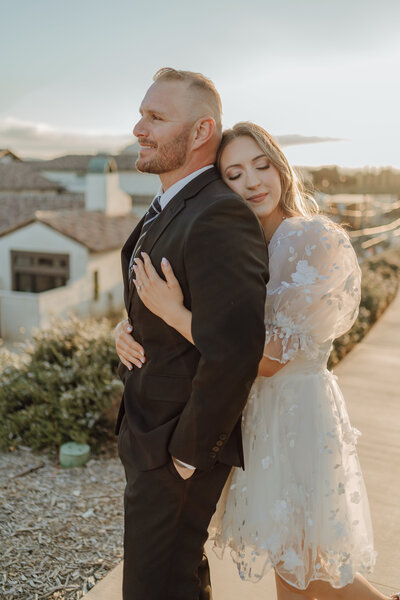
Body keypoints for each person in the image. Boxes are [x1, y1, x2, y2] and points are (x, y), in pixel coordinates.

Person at [124, 122, 400, 600]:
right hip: (253, 418)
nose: (252, 181)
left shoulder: (312, 239)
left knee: (309, 569)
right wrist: (125, 328)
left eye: (261, 165)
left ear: (280, 166)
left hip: (296, 415)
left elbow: (270, 358)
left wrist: (174, 313)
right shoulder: (242, 245)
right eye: (234, 174)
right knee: (291, 565)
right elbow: (211, 326)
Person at [114, 72, 269, 600]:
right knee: (176, 581)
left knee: (152, 589)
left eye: (156, 118)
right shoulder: (173, 205)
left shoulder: (219, 213)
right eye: (142, 114)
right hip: (149, 434)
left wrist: (188, 456)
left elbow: (237, 348)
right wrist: (127, 327)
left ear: (202, 129)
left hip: (178, 446)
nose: (139, 128)